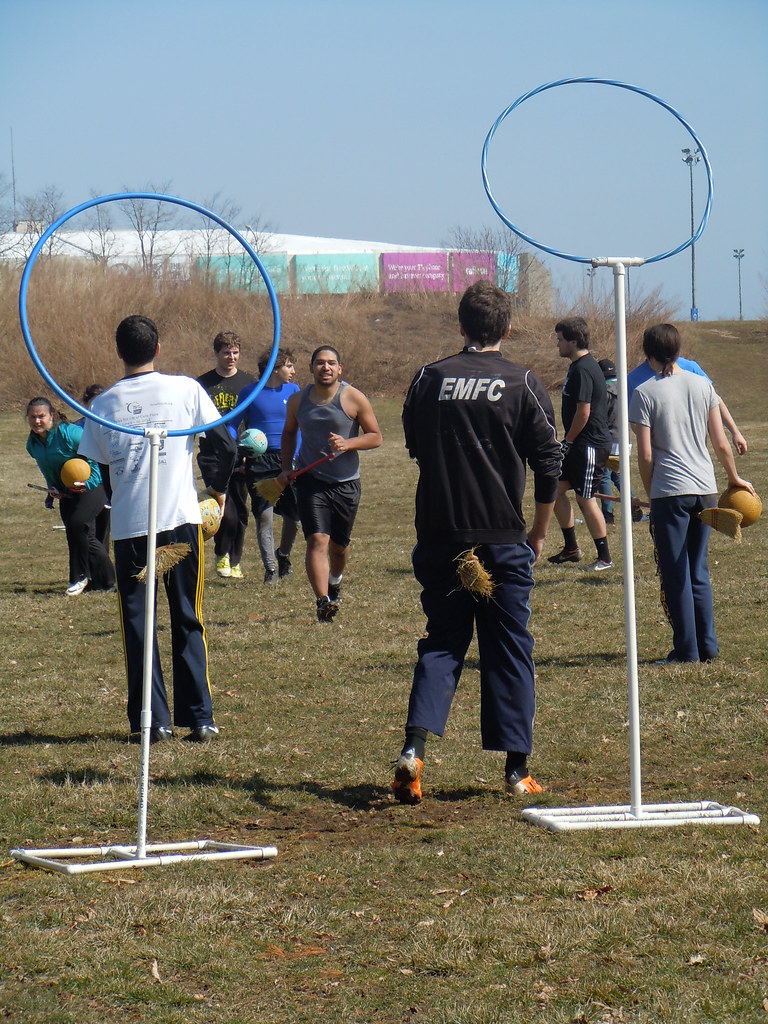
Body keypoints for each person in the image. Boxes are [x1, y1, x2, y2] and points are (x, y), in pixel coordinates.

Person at [391, 281, 561, 805]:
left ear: (461, 326)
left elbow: (415, 446)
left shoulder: (428, 378)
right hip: (501, 538)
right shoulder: (522, 381)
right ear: (507, 329)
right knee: (509, 648)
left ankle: (414, 752)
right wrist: (538, 529)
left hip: (441, 537)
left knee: (442, 642)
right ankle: (516, 770)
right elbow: (549, 460)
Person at [79, 315, 236, 743]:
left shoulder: (104, 404)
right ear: (159, 349)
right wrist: (217, 490)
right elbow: (222, 441)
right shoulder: (186, 389)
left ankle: (152, 723)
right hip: (181, 522)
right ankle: (199, 718)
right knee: (188, 616)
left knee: (138, 624)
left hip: (132, 529)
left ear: (119, 352)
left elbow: (101, 464)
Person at [629, 323, 755, 664]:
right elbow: (720, 442)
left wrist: (651, 490)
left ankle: (686, 651)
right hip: (705, 488)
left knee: (676, 571)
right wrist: (734, 478)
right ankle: (708, 647)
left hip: (670, 491)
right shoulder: (702, 385)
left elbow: (645, 454)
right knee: (698, 568)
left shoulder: (643, 392)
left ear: (648, 353)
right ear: (678, 350)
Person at [278, 345, 382, 622]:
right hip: (311, 480)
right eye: (320, 363)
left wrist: (349, 443)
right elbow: (288, 433)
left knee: (339, 547)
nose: (326, 367)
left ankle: (335, 580)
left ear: (340, 369)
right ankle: (322, 601)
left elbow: (375, 436)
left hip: (346, 483)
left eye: (331, 363)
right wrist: (286, 468)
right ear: (312, 367)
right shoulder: (299, 401)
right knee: (317, 540)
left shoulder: (353, 398)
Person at [26, 396, 115, 596]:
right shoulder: (32, 444)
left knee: (77, 525)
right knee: (75, 534)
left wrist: (88, 483)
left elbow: (97, 457)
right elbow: (47, 469)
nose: (37, 421)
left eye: (41, 416)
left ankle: (82, 577)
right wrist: (53, 489)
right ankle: (105, 582)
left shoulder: (70, 433)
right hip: (67, 490)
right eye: (33, 417)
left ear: (52, 416)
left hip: (94, 485)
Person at [548, 316, 614, 571]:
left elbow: (583, 413)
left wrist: (569, 440)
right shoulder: (576, 367)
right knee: (553, 489)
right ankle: (571, 548)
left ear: (574, 341)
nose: (558, 345)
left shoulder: (585, 368)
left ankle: (605, 558)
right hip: (578, 445)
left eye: (561, 340)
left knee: (586, 499)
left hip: (589, 445)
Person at [197, 331, 255, 580]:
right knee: (225, 507)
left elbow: (254, 419)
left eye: (235, 352)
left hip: (241, 453)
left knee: (240, 510)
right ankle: (221, 553)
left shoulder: (249, 383)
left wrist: (249, 454)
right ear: (216, 353)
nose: (231, 357)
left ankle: (236, 559)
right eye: (226, 352)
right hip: (212, 454)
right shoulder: (202, 383)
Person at [240, 347, 301, 583]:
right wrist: (238, 448)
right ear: (275, 368)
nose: (293, 371)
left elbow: (300, 428)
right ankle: (271, 570)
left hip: (288, 459)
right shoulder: (249, 392)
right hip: (260, 462)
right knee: (264, 516)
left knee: (293, 517)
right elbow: (233, 424)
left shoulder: (294, 391)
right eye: (289, 366)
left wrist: (295, 457)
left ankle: (283, 555)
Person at [627, 350, 747, 455]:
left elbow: (714, 400)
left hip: (695, 454)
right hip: (661, 457)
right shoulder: (634, 379)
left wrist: (735, 432)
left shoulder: (689, 367)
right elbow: (635, 422)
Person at [76, 384, 111, 548]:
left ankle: (101, 570)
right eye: (92, 403)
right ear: (84, 404)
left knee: (103, 534)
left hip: (106, 484)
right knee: (86, 532)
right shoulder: (76, 429)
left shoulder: (111, 427)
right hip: (86, 486)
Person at [596, 358, 620, 526]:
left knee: (604, 476)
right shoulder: (624, 387)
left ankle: (608, 514)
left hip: (609, 437)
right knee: (618, 474)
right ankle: (633, 502)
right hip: (623, 438)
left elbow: (600, 416)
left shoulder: (605, 390)